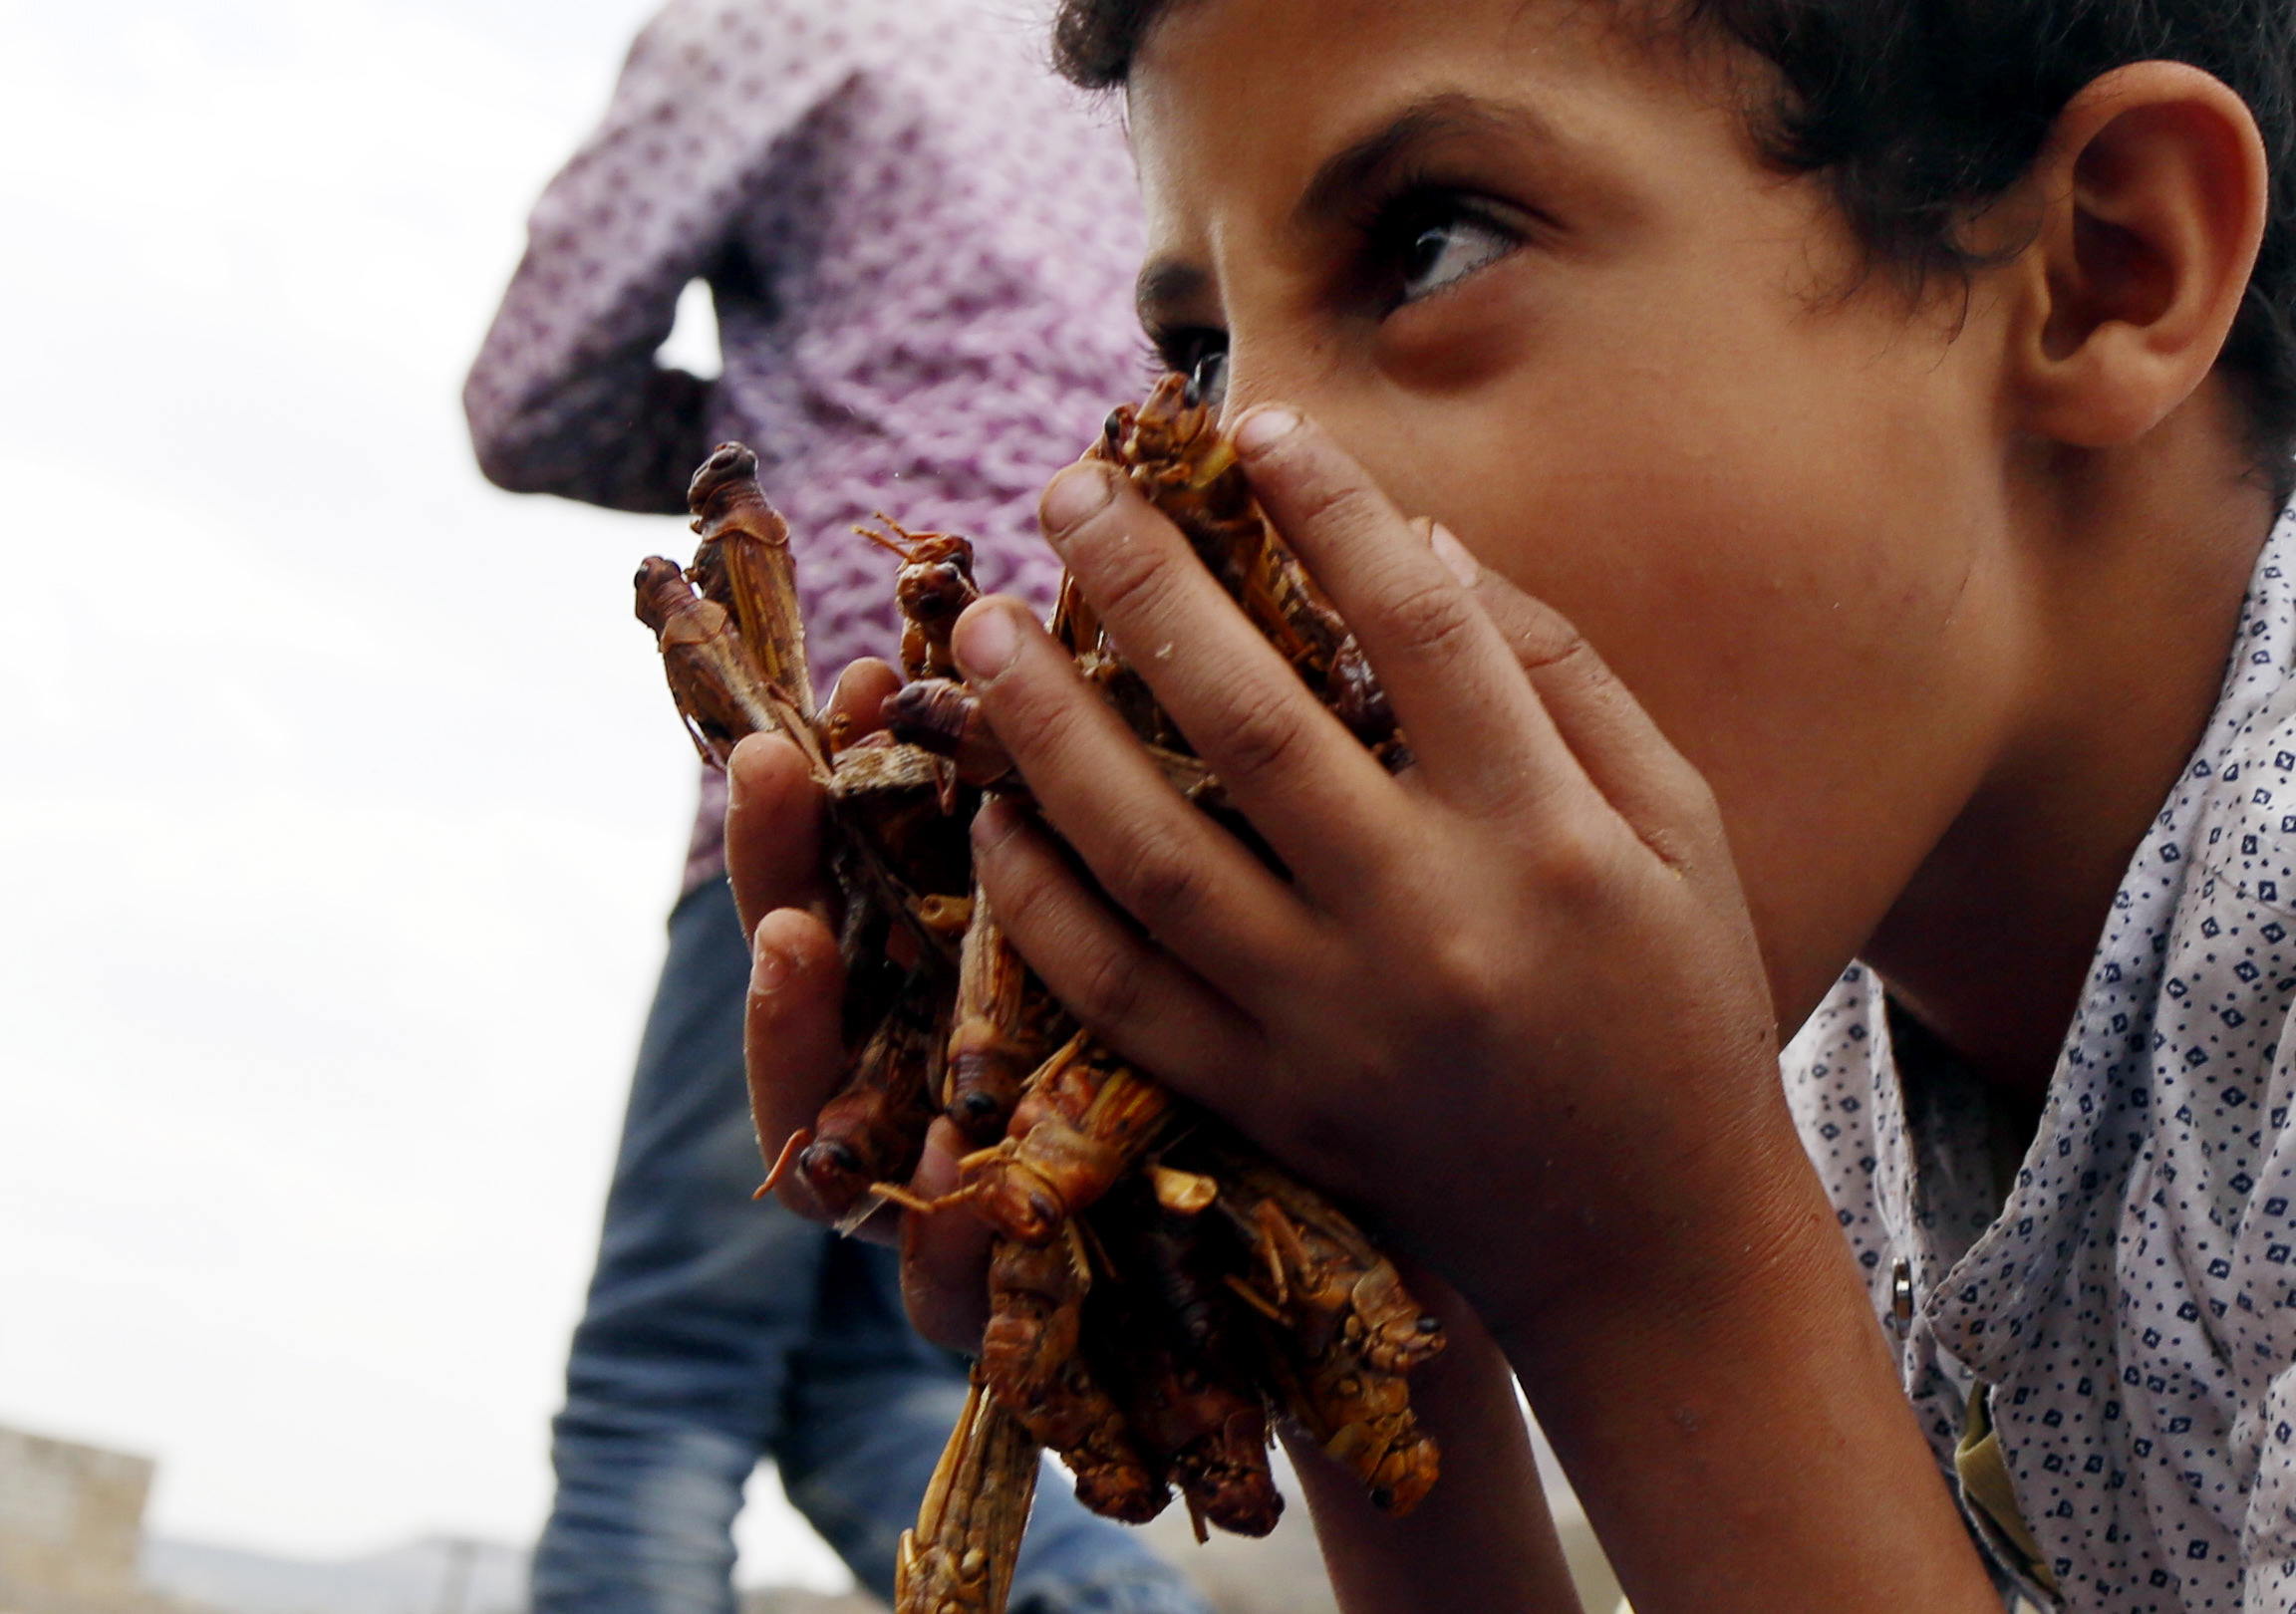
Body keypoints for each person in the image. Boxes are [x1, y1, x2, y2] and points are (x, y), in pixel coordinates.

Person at [726, 0, 2296, 1609]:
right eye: (1200, 358)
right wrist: (1361, 1307)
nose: (1234, 500)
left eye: (1426, 247)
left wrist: (1644, 1262)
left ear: (2117, 263)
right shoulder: (1847, 1080)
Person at [462, 4, 1212, 1613]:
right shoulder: (1116, 65)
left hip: (845, 770)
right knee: (893, 1389)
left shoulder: (775, 25)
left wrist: (769, 420)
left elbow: (532, 396)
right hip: (1118, 766)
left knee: (663, 1382)